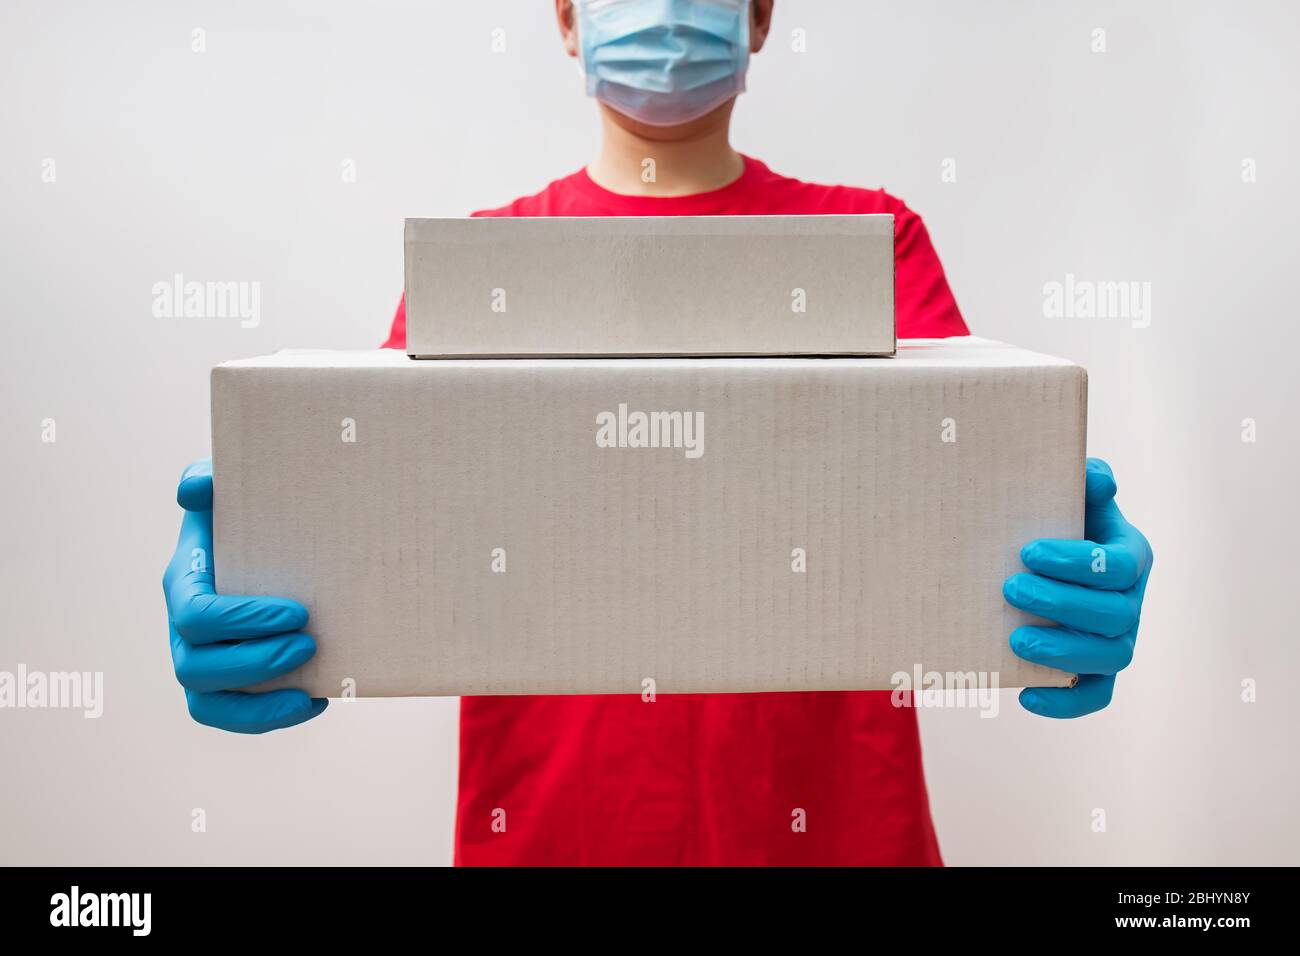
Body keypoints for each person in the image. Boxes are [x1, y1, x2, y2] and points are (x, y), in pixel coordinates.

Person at [163, 0, 1153, 865]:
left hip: (838, 837)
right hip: (556, 835)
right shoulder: (484, 276)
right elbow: (381, 548)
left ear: (761, 15)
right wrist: (258, 558)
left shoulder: (870, 243)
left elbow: (969, 500)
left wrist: (1068, 560)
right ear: (564, 17)